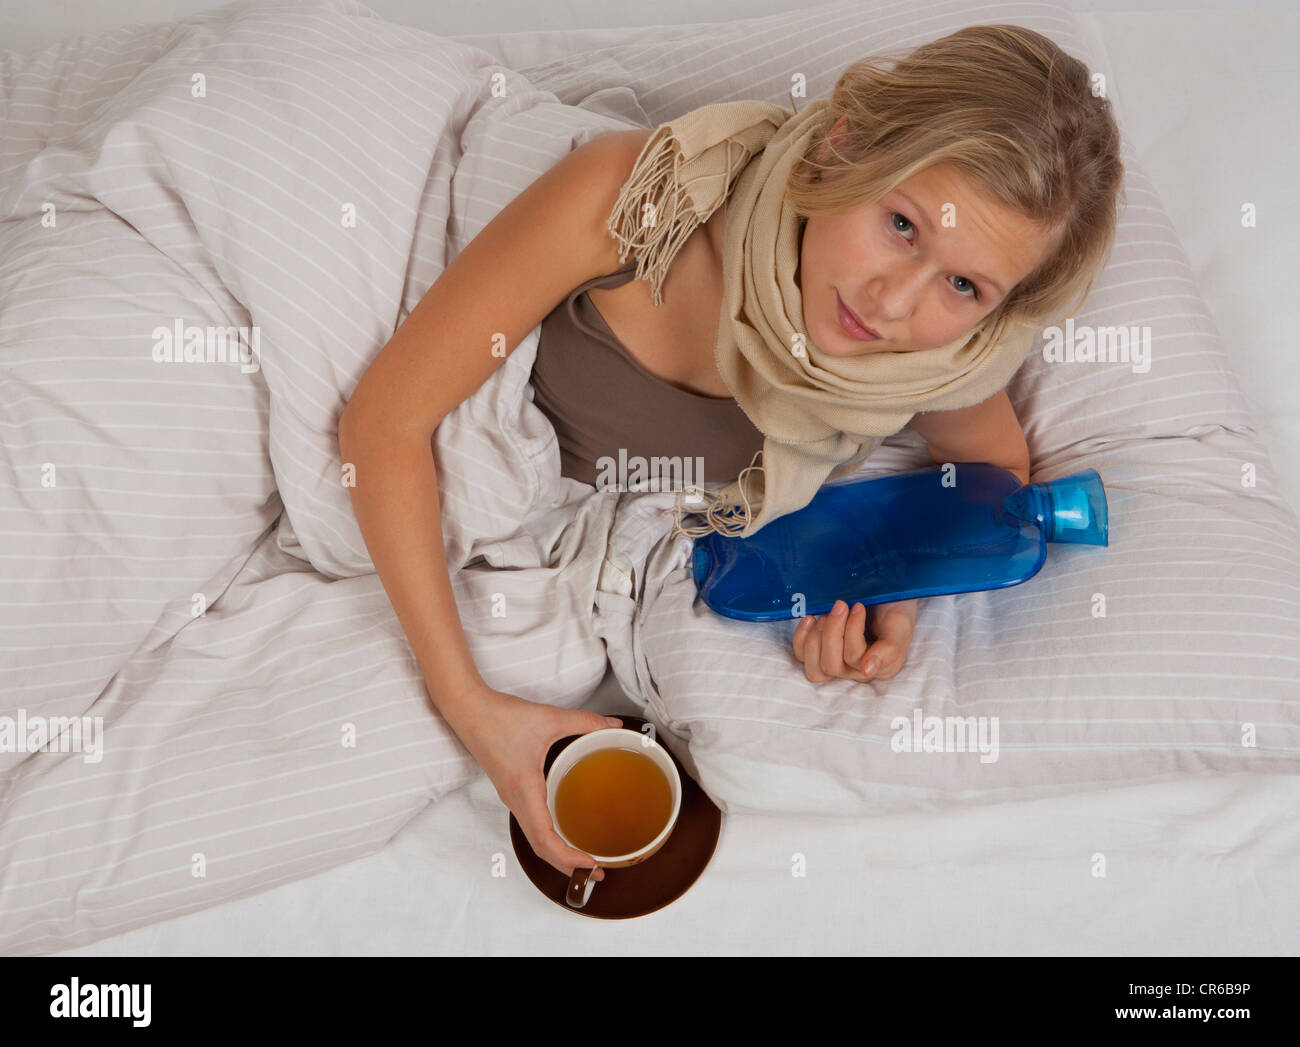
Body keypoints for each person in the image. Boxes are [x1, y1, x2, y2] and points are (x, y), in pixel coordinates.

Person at [337, 24, 1125, 884]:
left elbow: (988, 480)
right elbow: (383, 422)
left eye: (964, 284)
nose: (893, 303)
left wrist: (899, 588)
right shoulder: (633, 201)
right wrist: (472, 707)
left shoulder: (941, 357)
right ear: (841, 147)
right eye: (901, 224)